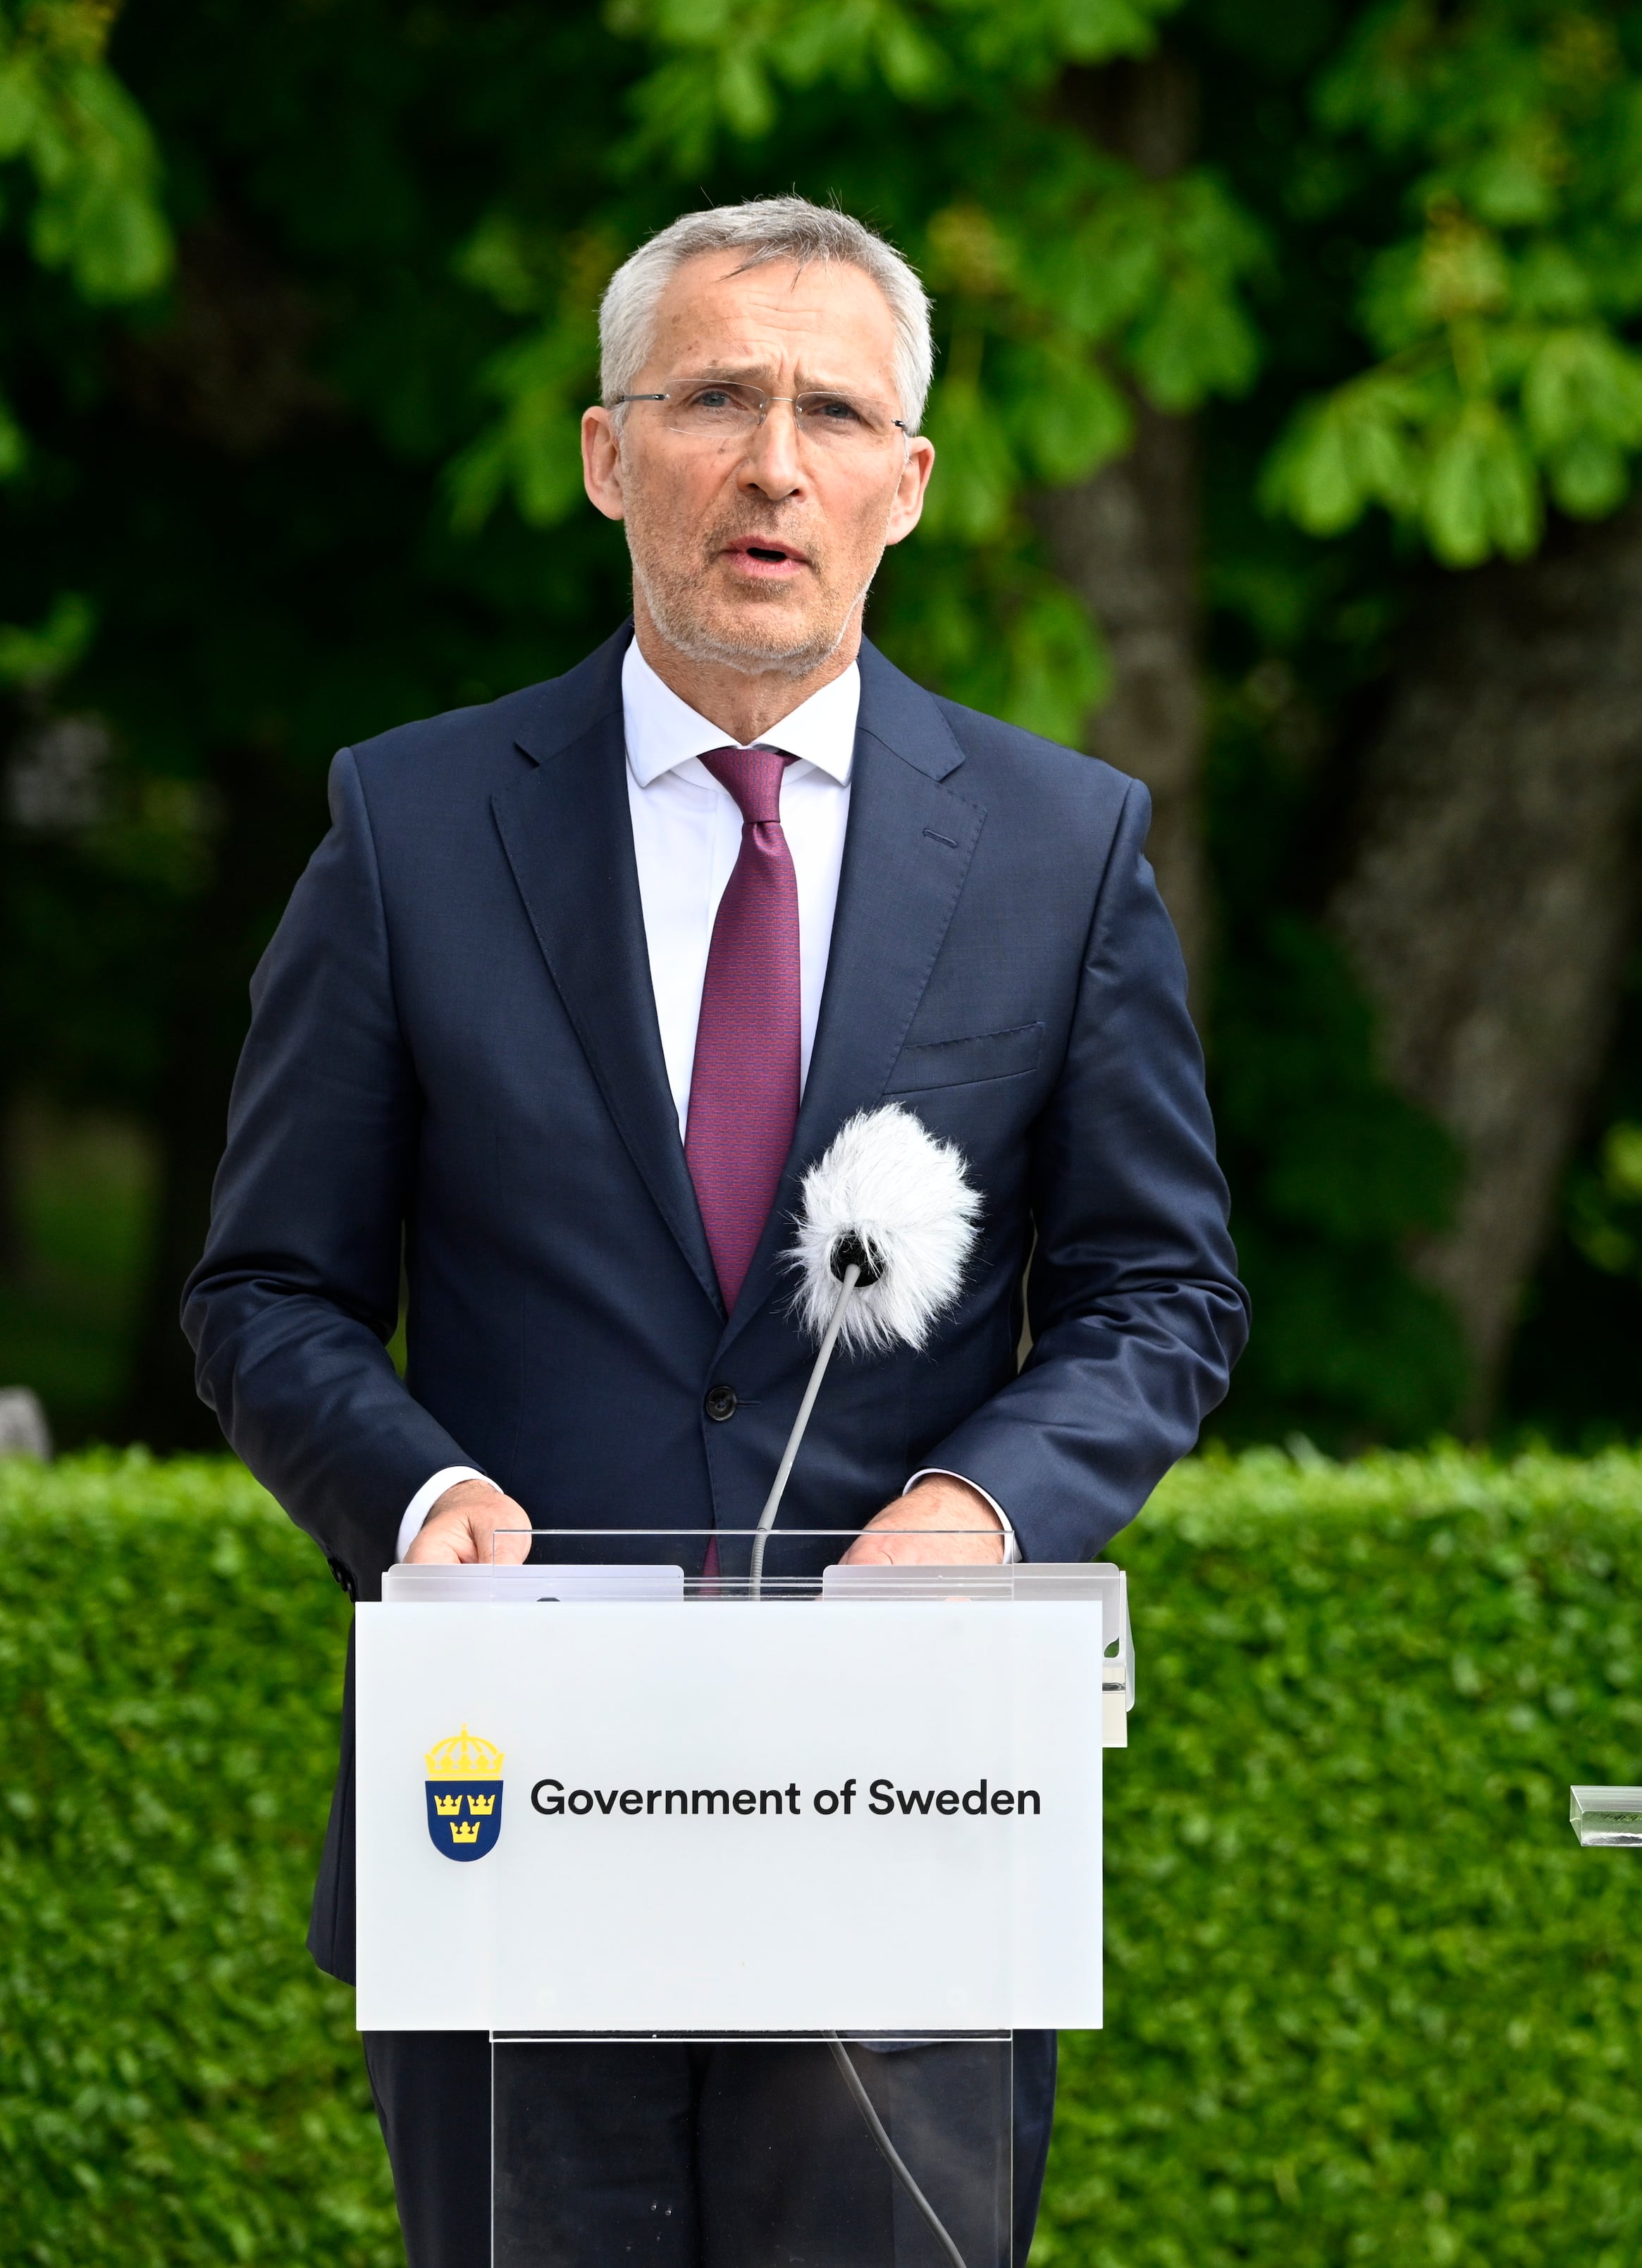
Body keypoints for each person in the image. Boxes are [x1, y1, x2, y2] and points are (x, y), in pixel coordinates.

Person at [181, 197, 1246, 2263]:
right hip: (511, 1805)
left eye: (834, 410)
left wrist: (982, 1506)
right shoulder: (411, 825)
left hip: (910, 1815)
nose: (775, 460)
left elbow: (1159, 1291)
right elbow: (265, 1289)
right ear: (606, 451)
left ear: (906, 485)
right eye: (717, 397)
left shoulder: (1062, 845)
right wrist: (418, 1500)